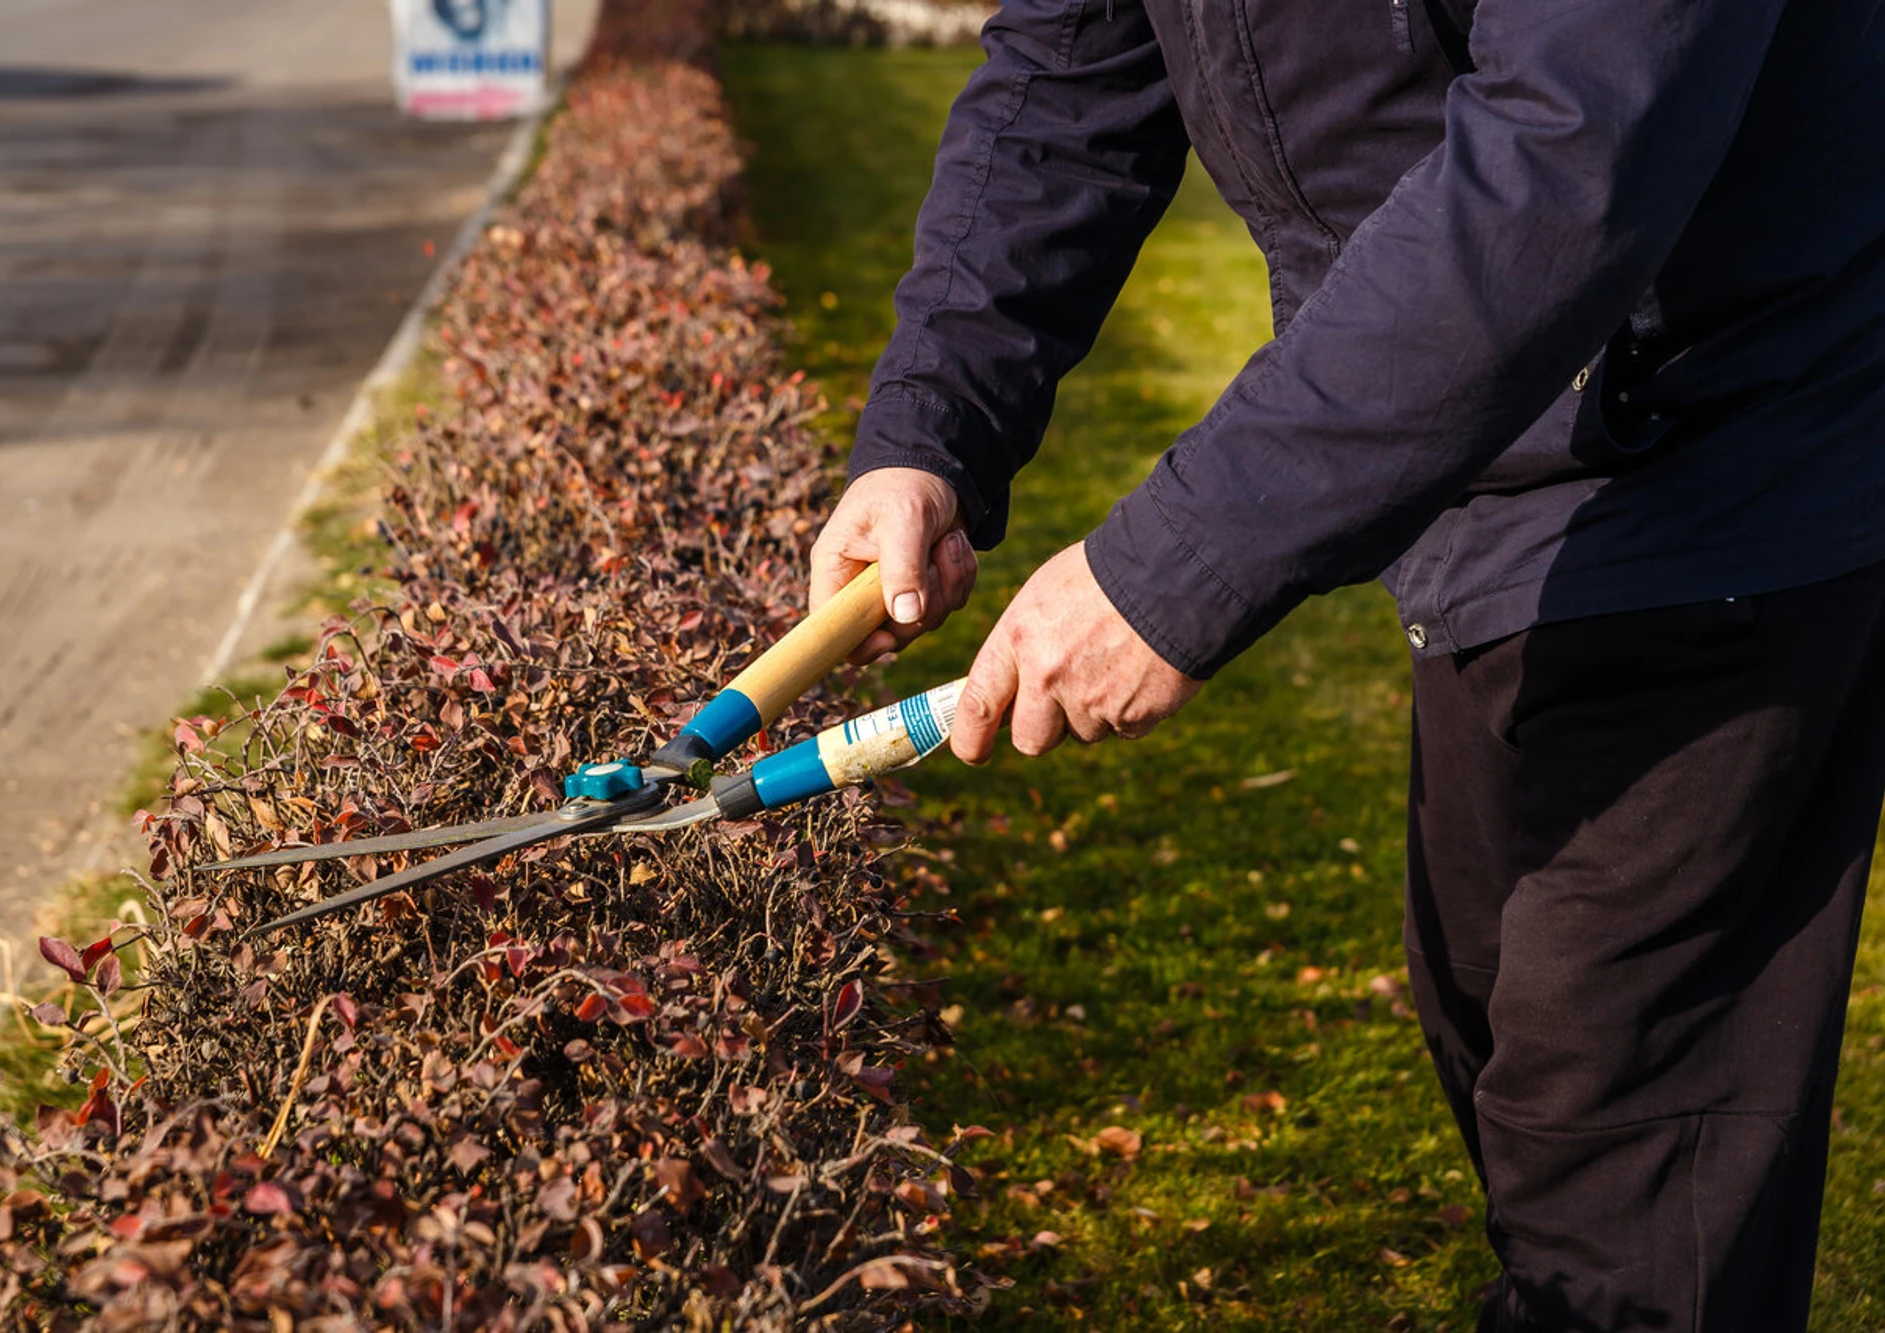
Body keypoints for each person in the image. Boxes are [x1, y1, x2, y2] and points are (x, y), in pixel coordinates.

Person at [804, 0, 1885, 1327]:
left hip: (1729, 458)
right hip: (1485, 469)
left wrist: (1174, 568)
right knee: (1498, 1034)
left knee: (1627, 1184)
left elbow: (1576, 149)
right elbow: (1069, 73)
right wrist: (932, 426)